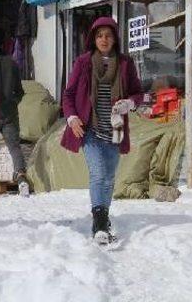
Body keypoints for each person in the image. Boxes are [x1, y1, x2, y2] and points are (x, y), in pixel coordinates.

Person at [61, 17, 144, 244]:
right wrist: (72, 117)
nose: (104, 39)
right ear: (93, 38)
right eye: (99, 35)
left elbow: (138, 93)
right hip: (89, 129)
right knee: (98, 174)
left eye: (108, 35)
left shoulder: (126, 63)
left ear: (115, 37)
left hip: (115, 130)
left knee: (108, 178)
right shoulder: (83, 62)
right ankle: (99, 225)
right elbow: (68, 95)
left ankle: (103, 218)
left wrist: (130, 103)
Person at [0, 26, 29, 198]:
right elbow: (20, 91)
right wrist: (12, 103)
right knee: (14, 147)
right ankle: (22, 177)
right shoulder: (12, 63)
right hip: (9, 114)